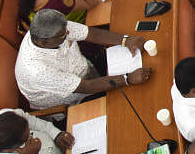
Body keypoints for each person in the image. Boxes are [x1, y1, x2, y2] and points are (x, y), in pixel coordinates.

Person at [15, 9, 150, 110]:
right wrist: (127, 78)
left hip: (86, 69)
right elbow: (87, 87)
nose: (68, 33)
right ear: (44, 42)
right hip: (76, 99)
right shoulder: (37, 69)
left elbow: (91, 34)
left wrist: (126, 40)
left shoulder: (55, 28)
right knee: (132, 104)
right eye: (63, 34)